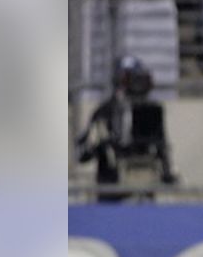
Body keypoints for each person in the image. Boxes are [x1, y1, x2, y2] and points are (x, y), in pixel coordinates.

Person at [75, 55, 177, 201]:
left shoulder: (151, 111)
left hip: (142, 192)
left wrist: (167, 172)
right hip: (110, 192)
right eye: (132, 80)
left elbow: (161, 145)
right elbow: (81, 155)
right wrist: (96, 142)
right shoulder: (105, 112)